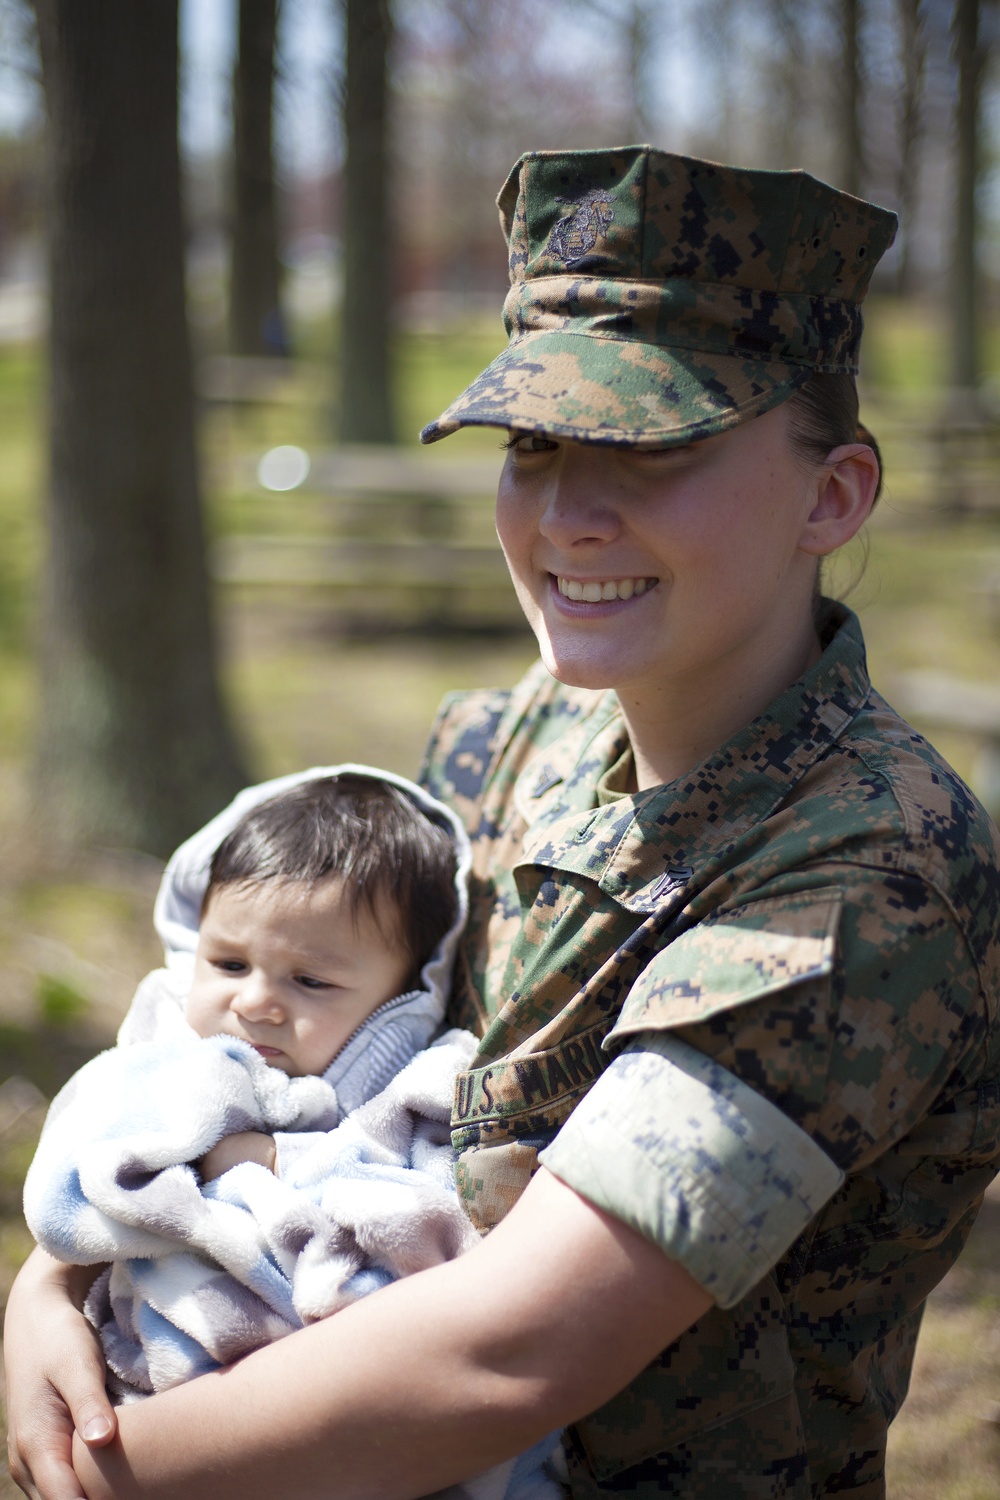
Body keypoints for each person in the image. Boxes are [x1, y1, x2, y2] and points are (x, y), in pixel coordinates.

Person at [6, 145, 1000, 1500]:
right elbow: (281, 1024)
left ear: (833, 497)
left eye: (654, 447)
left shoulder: (863, 882)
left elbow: (512, 1355)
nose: (569, 516)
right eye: (534, 446)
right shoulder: (515, 733)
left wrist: (92, 1467)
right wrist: (57, 1277)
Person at [21, 766, 565, 1500]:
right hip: (154, 1387)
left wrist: (279, 1160)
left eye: (309, 982)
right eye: (229, 963)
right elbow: (83, 1179)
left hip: (340, 1416)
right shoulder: (164, 1059)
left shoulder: (421, 1087)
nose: (255, 1002)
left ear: (403, 998)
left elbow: (436, 1222)